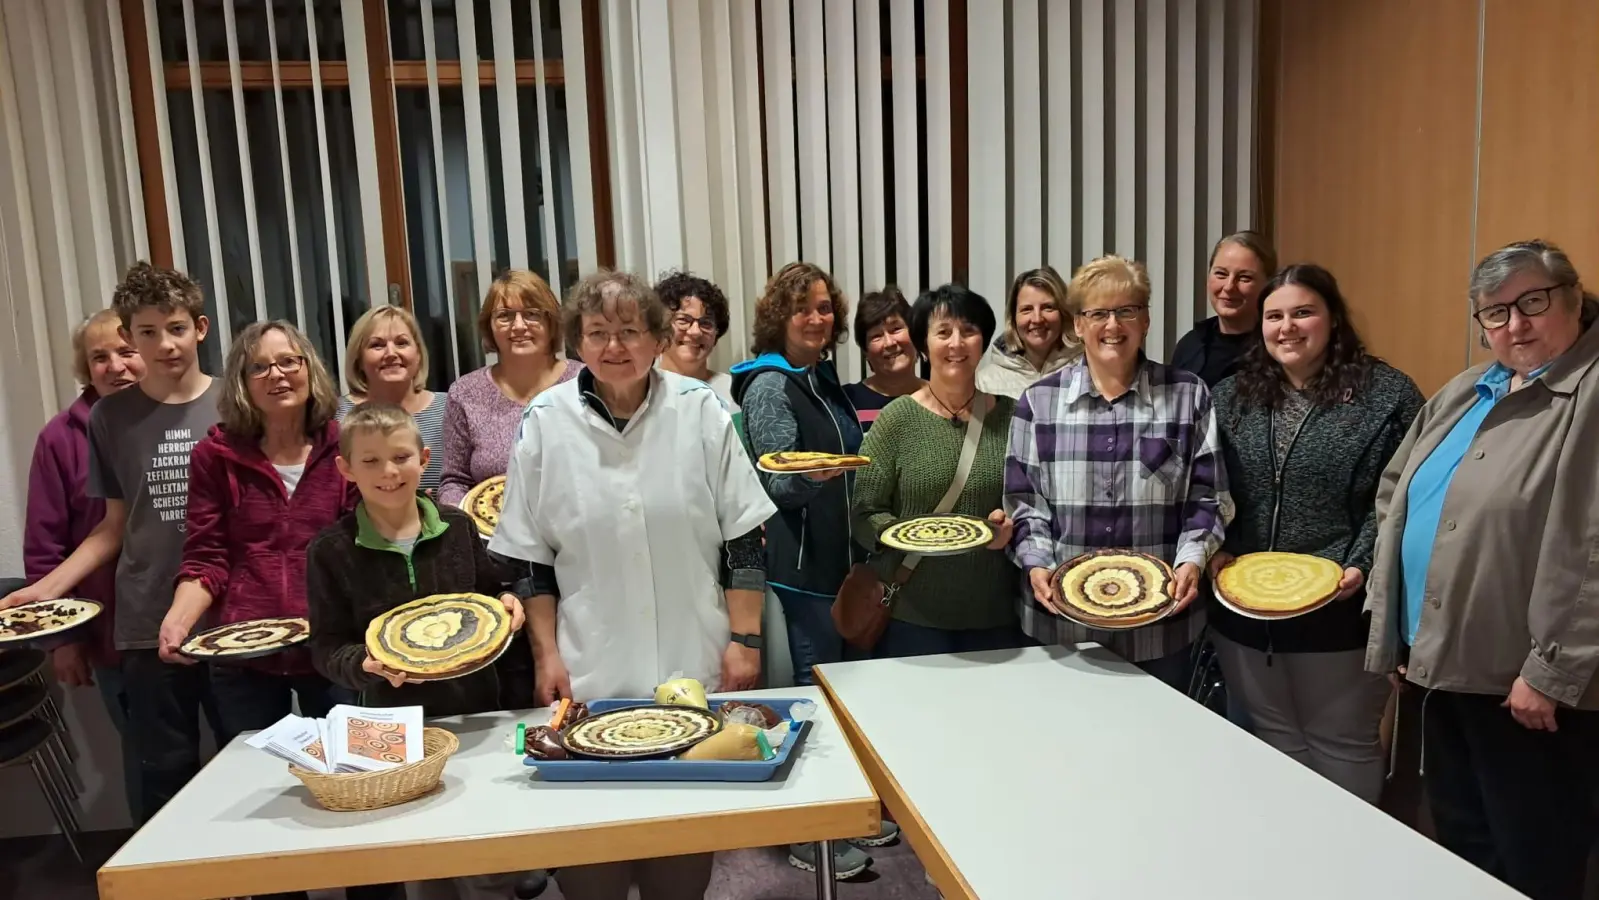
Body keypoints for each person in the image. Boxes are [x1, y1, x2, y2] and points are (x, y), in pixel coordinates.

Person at [491, 271, 776, 900]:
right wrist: (546, 653)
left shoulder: (702, 411)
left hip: (689, 659)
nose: (613, 346)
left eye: (629, 331)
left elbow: (744, 539)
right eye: (597, 333)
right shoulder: (545, 421)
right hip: (591, 667)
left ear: (655, 338)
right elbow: (530, 560)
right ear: (577, 344)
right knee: (591, 858)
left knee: (680, 859)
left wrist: (744, 639)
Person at [1364, 239, 1599, 900]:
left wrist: (1551, 670)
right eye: (1493, 314)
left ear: (1572, 298)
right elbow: (1395, 494)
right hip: (1439, 667)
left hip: (1526, 687)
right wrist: (1395, 626)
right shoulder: (1466, 389)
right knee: (1463, 846)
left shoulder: (1589, 389)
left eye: (1531, 302)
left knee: (1532, 858)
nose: (1513, 325)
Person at [3, 262, 222, 821]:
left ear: (199, 328)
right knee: (165, 773)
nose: (164, 344)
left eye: (175, 328)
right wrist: (45, 591)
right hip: (145, 619)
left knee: (244, 762)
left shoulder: (233, 406)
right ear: (130, 336)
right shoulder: (110, 418)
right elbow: (113, 526)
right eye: (147, 332)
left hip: (229, 617)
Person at [1206, 265, 1422, 804]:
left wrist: (1362, 561)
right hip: (1243, 611)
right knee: (1272, 743)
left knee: (1341, 743)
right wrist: (1218, 546)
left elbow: (1402, 495)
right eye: (1274, 315)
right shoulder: (1231, 396)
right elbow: (1207, 486)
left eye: (1303, 312)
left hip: (1341, 611)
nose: (1287, 327)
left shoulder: (1386, 396)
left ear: (1332, 318)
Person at [308, 403, 526, 900]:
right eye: (371, 461)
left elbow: (492, 596)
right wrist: (362, 665)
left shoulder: (459, 527)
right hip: (395, 730)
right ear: (345, 469)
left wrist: (508, 603)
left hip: (476, 716)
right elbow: (324, 646)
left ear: (424, 458)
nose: (389, 472)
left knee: (486, 861)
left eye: (401, 457)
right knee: (424, 860)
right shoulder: (330, 550)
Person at [729, 262, 896, 876]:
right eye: (803, 307)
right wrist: (810, 477)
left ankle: (846, 812)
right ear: (779, 316)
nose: (816, 317)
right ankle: (808, 834)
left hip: (836, 562)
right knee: (812, 704)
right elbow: (773, 480)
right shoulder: (771, 383)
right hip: (800, 571)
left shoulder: (819, 377)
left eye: (825, 307)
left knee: (845, 698)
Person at [1005, 255, 1232, 689]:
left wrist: (1193, 560)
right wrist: (1036, 564)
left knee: (1159, 749)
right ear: (1077, 325)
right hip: (1062, 627)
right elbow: (1024, 503)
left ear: (1145, 319)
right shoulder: (1038, 403)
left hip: (1162, 627)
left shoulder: (1187, 395)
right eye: (1098, 313)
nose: (1113, 325)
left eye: (1126, 310)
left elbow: (1209, 496)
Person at [158, 322, 354, 763]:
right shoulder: (215, 456)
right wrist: (178, 619)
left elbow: (360, 553)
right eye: (259, 367)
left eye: (288, 361)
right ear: (242, 383)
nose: (277, 375)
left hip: (332, 646)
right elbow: (207, 557)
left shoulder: (348, 445)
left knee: (347, 772)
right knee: (253, 781)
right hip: (243, 651)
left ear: (309, 368)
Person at [851, 284, 1024, 656]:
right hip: (911, 618)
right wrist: (901, 535)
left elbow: (1033, 506)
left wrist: (1008, 527)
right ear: (923, 344)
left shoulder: (1013, 416)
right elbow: (864, 514)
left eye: (969, 331)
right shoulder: (897, 419)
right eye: (943, 332)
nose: (957, 344)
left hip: (995, 617)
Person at [23, 309, 146, 820]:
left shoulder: (177, 420)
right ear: (85, 368)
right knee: (146, 760)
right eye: (100, 357)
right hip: (111, 634)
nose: (115, 366)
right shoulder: (60, 439)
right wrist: (63, 640)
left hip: (195, 622)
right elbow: (43, 545)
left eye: (126, 351)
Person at [438, 269, 581, 509]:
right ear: (489, 327)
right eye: (504, 316)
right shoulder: (465, 392)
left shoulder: (584, 382)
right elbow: (454, 481)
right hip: (491, 538)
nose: (518, 326)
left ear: (552, 322)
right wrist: (468, 519)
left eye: (532, 314)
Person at [337, 305, 446, 493]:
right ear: (359, 359)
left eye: (402, 343)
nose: (391, 353)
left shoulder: (450, 408)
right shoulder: (338, 416)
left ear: (418, 354)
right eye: (377, 345)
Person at [1171, 231, 1277, 387]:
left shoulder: (1278, 347)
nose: (1229, 287)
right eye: (1221, 274)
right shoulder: (1190, 345)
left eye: (1244, 277)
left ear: (1268, 284)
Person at [975, 266, 1081, 398]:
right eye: (1026, 309)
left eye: (1048, 307)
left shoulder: (1089, 370)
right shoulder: (985, 383)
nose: (1037, 319)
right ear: (1013, 318)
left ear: (1063, 313)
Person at [654, 269, 738, 412]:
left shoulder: (734, 393)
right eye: (683, 320)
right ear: (660, 327)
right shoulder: (642, 392)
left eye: (706, 323)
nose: (695, 332)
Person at [843, 286, 923, 430]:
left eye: (896, 329)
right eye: (876, 336)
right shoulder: (846, 402)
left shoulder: (941, 397)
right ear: (865, 351)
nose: (890, 343)